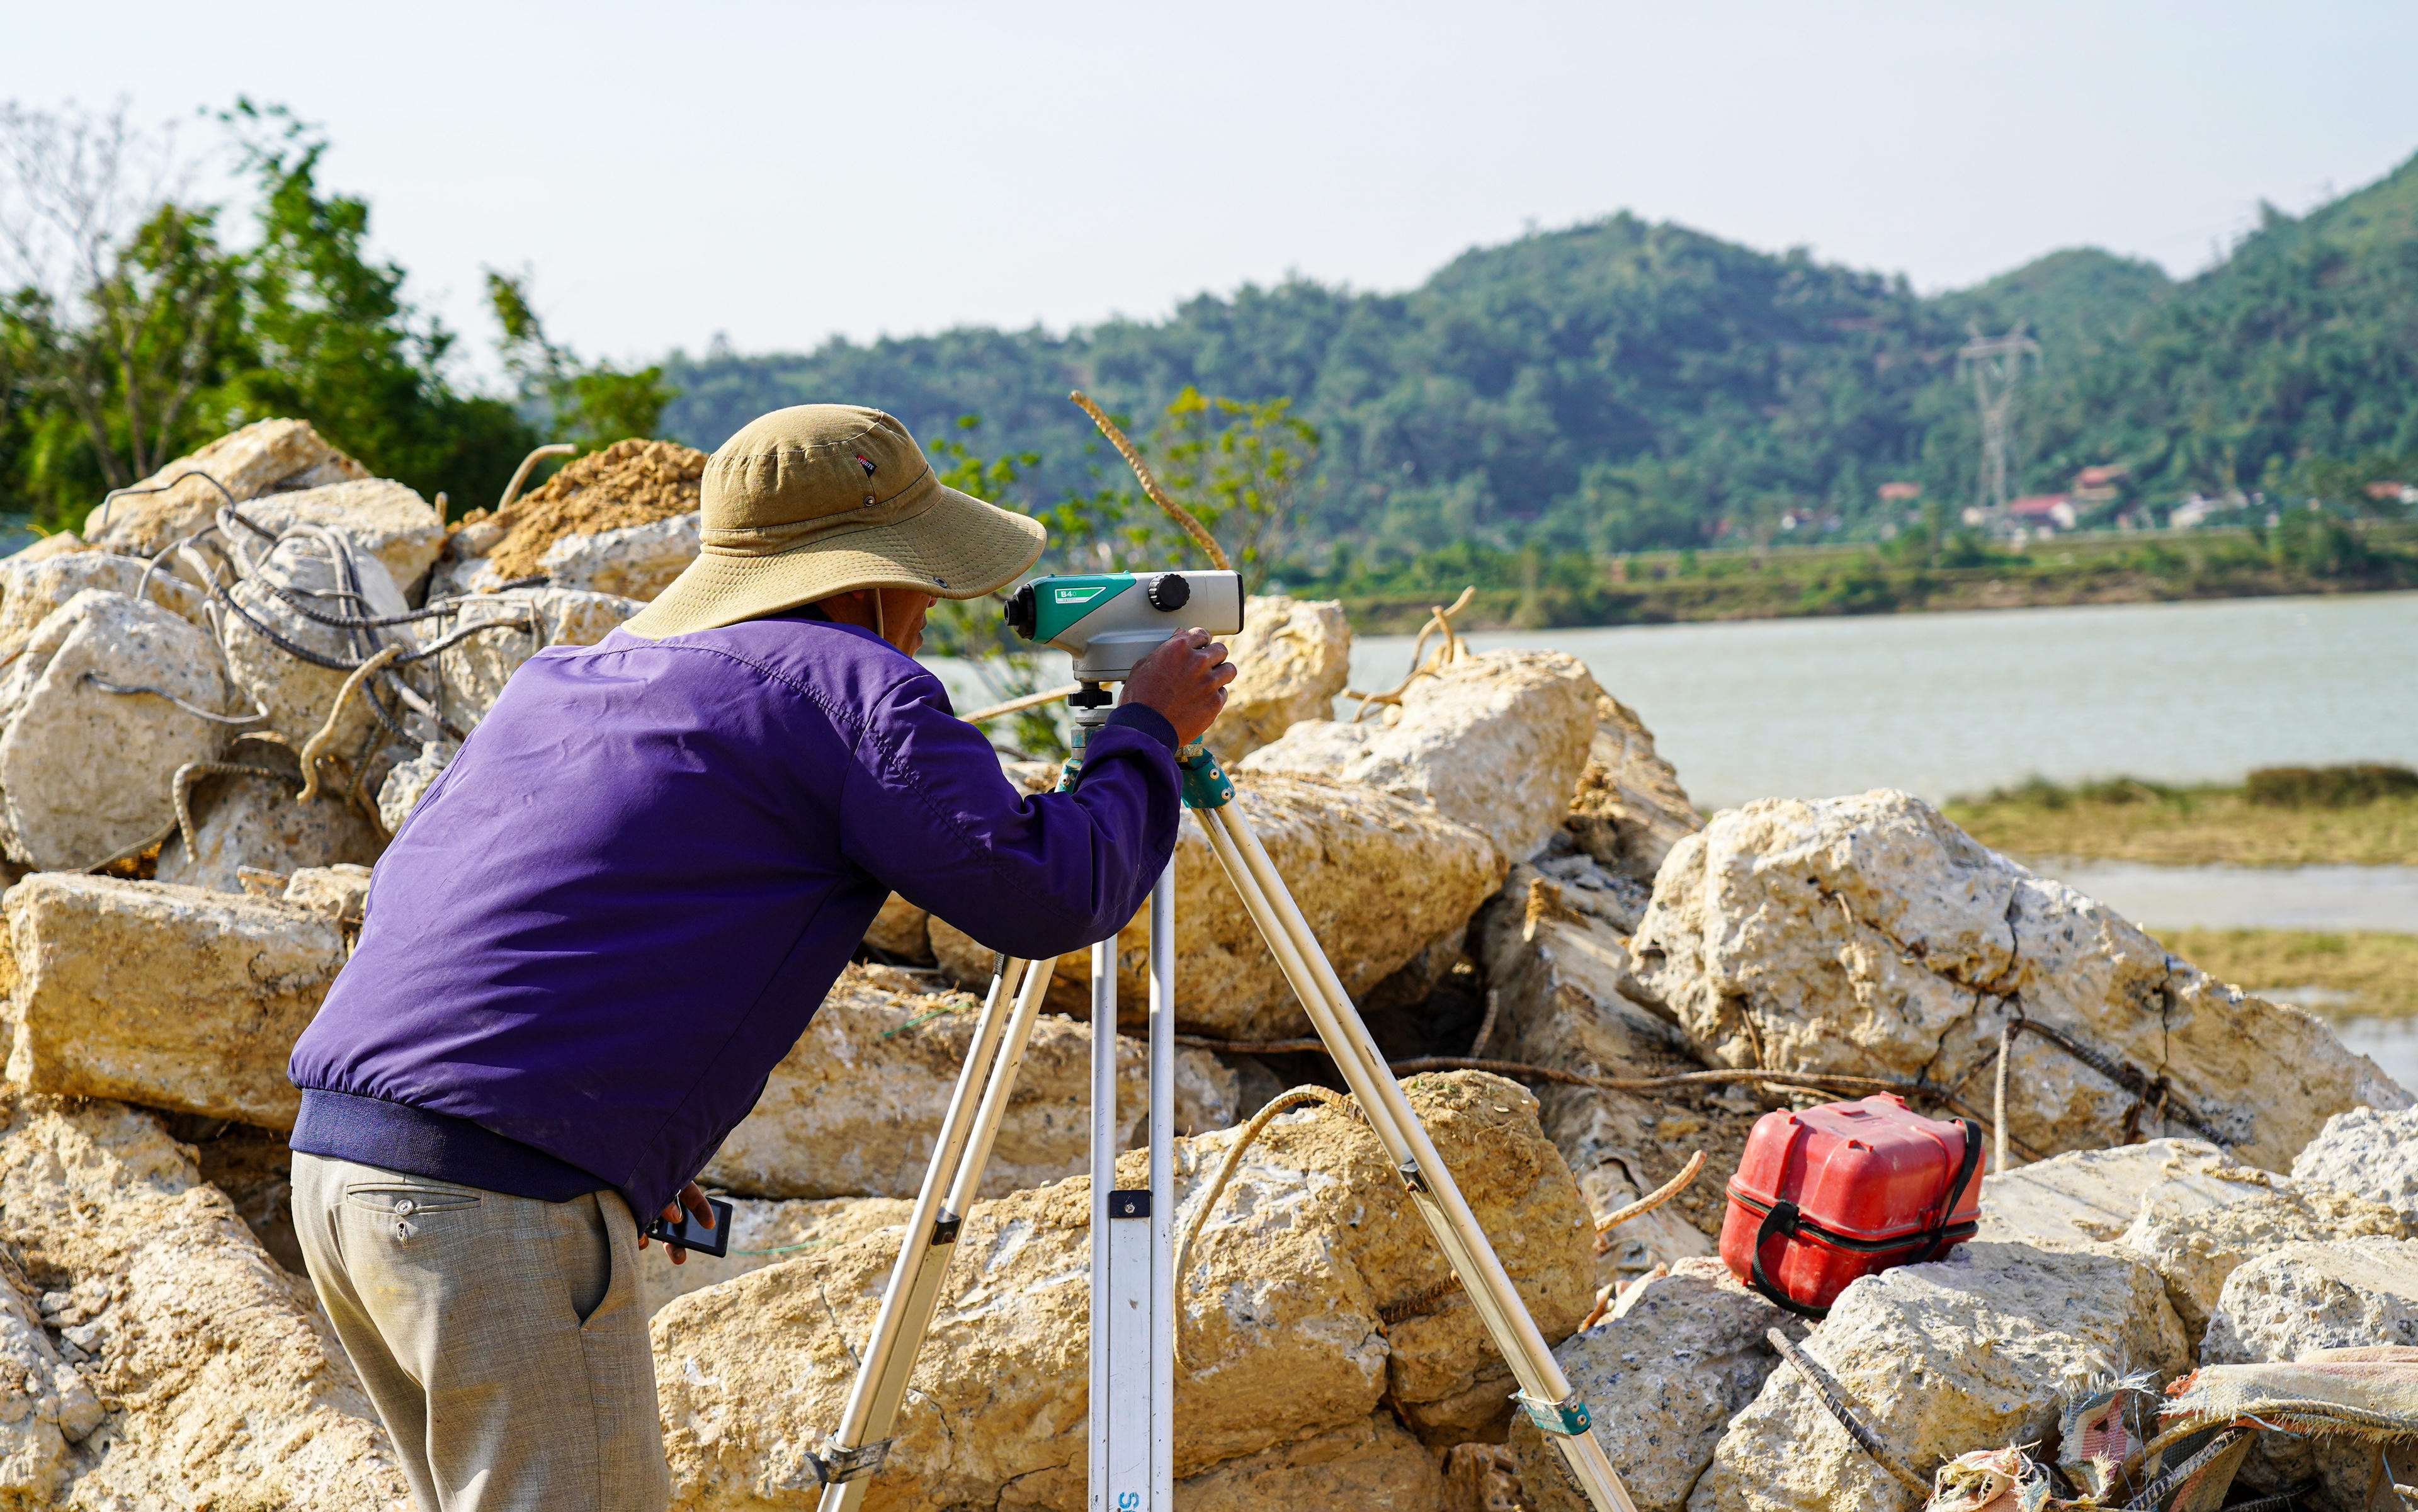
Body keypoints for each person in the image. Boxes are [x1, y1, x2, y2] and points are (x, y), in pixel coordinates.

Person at [285, 404, 1234, 1512]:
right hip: (492, 1204)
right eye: (924, 582)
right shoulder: (856, 690)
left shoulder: (573, 679)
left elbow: (482, 901)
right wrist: (1146, 735)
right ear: (871, 580)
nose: (927, 613)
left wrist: (620, 1127)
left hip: (341, 1170)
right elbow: (1054, 888)